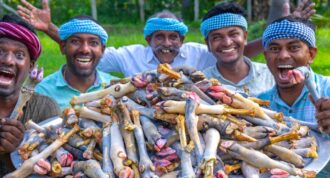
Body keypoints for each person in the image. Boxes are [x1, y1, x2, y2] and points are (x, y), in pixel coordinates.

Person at [16, 0, 313, 77]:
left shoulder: (200, 53)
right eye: (160, 37)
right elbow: (85, 52)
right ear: (149, 39)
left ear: (182, 41)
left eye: (173, 37)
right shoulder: (129, 55)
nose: (167, 44)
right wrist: (52, 28)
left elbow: (240, 50)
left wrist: (285, 29)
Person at [258, 16, 330, 178]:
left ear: (311, 54)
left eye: (294, 47)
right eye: (274, 48)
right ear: (266, 56)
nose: (283, 56)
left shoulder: (327, 91)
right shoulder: (259, 105)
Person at [0, 13, 64, 178]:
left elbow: (51, 176)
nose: (8, 60)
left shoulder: (45, 109)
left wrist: (15, 154)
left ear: (31, 66)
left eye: (19, 55)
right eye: (0, 51)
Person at [35, 15, 116, 110]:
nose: (85, 50)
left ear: (102, 50)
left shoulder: (116, 88)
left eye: (93, 43)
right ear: (63, 47)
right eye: (76, 41)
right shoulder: (42, 92)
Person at [200, 2, 275, 97]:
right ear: (208, 44)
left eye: (233, 34)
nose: (227, 43)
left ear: (245, 37)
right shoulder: (201, 83)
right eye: (217, 37)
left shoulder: (271, 75)